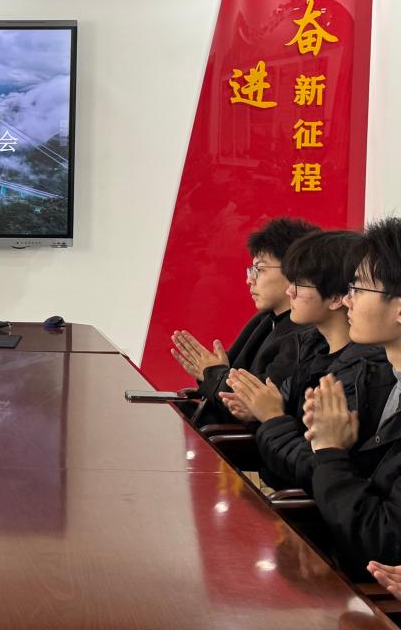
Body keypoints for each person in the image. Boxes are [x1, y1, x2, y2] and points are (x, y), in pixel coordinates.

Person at [221, 230, 390, 490]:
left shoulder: (363, 370)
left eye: (299, 283)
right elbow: (279, 406)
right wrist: (260, 410)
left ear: (336, 298)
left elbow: (317, 471)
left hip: (289, 500)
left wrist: (271, 417)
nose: (289, 291)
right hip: (275, 487)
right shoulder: (310, 347)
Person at [300, 217, 401, 577]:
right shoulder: (387, 380)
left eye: (357, 289)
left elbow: (383, 541)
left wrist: (330, 452)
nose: (347, 301)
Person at [169, 216, 319, 422]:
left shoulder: (305, 336)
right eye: (251, 270)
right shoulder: (264, 319)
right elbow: (227, 377)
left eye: (259, 270)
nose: (249, 280)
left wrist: (213, 374)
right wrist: (213, 373)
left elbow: (252, 402)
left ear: (295, 271)